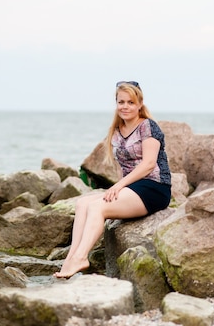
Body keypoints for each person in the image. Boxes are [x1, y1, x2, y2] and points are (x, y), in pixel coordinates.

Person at [53, 81, 172, 279]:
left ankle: (82, 257)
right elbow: (121, 169)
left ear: (140, 104)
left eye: (130, 102)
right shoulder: (116, 131)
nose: (125, 106)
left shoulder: (148, 127)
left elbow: (149, 164)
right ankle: (71, 258)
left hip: (154, 187)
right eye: (121, 102)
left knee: (97, 207)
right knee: (83, 203)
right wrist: (119, 194)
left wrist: (118, 187)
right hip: (132, 189)